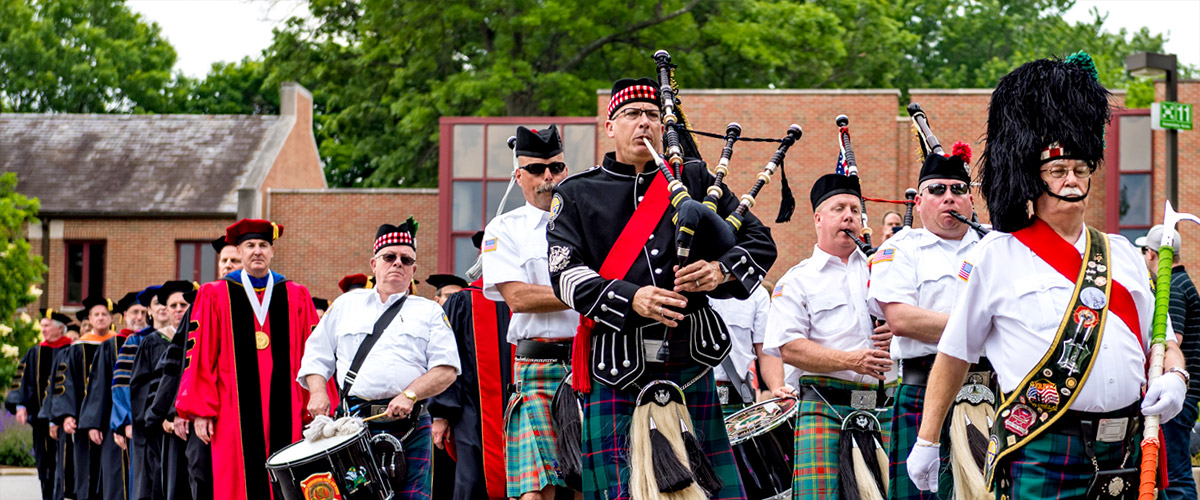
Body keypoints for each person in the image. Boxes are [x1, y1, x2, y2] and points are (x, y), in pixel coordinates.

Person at [906, 52, 1188, 498]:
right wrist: (926, 439)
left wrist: (1176, 378)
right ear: (1031, 180)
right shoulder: (995, 256)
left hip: (1128, 447)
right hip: (1043, 444)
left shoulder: (1123, 254)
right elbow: (956, 353)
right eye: (1058, 170)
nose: (1073, 180)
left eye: (1080, 169)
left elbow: (1164, 341)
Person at [547, 77, 777, 500]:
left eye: (653, 115)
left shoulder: (694, 178)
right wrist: (631, 297)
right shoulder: (576, 192)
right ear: (610, 126)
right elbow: (564, 273)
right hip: (617, 365)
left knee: (707, 488)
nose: (644, 124)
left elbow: (760, 243)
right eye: (632, 115)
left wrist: (719, 271)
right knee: (621, 490)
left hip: (692, 356)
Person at [299, 219, 461, 499]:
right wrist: (317, 391)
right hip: (354, 424)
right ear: (374, 264)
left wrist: (411, 394)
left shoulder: (429, 312)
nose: (397, 263)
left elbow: (446, 369)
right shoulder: (345, 306)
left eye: (405, 259)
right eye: (389, 257)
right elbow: (316, 355)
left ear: (413, 270)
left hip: (411, 423)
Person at [763, 173, 895, 500]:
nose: (849, 215)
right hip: (824, 406)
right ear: (819, 219)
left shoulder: (886, 271)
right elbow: (789, 348)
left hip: (887, 404)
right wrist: (854, 361)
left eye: (855, 208)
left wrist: (900, 330)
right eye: (839, 208)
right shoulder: (798, 280)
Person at [174, 219, 326, 500]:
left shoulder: (296, 295)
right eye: (250, 246)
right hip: (232, 408)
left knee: (286, 480)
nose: (257, 251)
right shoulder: (215, 294)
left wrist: (311, 405)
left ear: (272, 251)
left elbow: (312, 353)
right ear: (240, 252)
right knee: (235, 481)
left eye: (264, 245)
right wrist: (201, 410)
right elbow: (201, 353)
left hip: (286, 406)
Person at [866, 141, 983, 500]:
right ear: (918, 202)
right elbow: (901, 319)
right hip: (922, 389)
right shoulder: (901, 248)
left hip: (990, 389)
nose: (949, 197)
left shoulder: (995, 244)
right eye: (936, 189)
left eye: (958, 189)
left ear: (971, 200)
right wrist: (984, 327)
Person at [480, 125, 579, 500]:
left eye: (556, 168)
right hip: (536, 366)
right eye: (537, 170)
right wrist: (587, 291)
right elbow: (518, 297)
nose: (548, 177)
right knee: (536, 492)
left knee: (591, 484)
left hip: (589, 363)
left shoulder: (587, 221)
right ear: (518, 176)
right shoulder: (504, 228)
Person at [427, 231, 515, 500]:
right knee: (472, 481)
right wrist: (441, 415)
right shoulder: (464, 301)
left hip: (522, 404)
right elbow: (447, 361)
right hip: (472, 410)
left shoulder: (528, 297)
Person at [1143, 225, 1200, 500]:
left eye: (1144, 252)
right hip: (1184, 395)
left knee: (1176, 478)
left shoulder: (1174, 289)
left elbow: (1169, 341)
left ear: (1152, 254)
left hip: (1178, 395)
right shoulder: (1184, 283)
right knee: (1170, 477)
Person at [127, 281, 195, 500]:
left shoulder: (200, 337)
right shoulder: (151, 342)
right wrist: (162, 416)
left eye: (183, 305)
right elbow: (141, 386)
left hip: (196, 422)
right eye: (173, 305)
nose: (178, 309)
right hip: (162, 429)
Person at [6, 309, 74, 500]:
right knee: (44, 465)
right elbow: (22, 381)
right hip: (40, 421)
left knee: (65, 465)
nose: (42, 329)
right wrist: (20, 405)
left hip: (66, 420)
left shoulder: (71, 350)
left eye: (46, 325)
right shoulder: (35, 352)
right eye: (42, 325)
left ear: (60, 329)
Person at [72, 295, 130, 500]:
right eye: (96, 314)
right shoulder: (78, 347)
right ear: (89, 318)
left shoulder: (118, 342)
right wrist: (75, 416)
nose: (101, 318)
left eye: (104, 314)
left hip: (113, 415)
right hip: (91, 414)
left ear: (112, 318)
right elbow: (74, 384)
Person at [709, 284, 774, 415]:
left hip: (737, 399)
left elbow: (766, 353)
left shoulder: (756, 293)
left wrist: (776, 387)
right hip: (692, 394)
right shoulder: (682, 287)